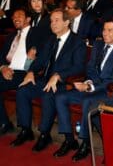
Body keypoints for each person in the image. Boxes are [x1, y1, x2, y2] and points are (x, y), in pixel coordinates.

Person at [53, 19, 113, 161]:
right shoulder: (98, 45)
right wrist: (88, 83)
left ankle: (85, 144)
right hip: (90, 86)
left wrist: (90, 86)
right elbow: (90, 68)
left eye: (110, 30)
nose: (105, 33)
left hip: (106, 91)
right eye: (104, 30)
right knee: (60, 97)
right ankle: (69, 139)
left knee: (88, 101)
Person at [11, 9, 86, 151]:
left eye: (57, 20)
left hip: (64, 83)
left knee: (48, 95)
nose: (53, 24)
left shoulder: (77, 42)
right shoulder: (51, 39)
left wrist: (58, 75)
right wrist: (31, 72)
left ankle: (44, 134)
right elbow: (39, 61)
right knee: (23, 90)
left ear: (67, 22)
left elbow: (78, 67)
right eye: (51, 20)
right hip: (45, 79)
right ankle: (26, 130)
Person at [0, 9, 41, 136]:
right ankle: (5, 123)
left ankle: (6, 124)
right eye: (13, 17)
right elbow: (2, 56)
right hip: (9, 70)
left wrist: (34, 56)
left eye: (19, 15)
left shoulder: (37, 33)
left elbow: (43, 54)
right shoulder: (11, 35)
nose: (15, 18)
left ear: (28, 19)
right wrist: (3, 68)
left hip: (25, 73)